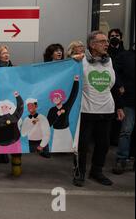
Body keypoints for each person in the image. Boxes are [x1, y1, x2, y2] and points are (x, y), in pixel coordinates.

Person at [72, 31, 124, 187]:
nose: (106, 44)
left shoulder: (109, 62)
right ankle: (79, 172)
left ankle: (96, 171)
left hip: (107, 110)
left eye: (107, 41)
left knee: (104, 144)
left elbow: (114, 87)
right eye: (102, 41)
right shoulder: (80, 62)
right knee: (82, 145)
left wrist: (119, 106)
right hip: (87, 111)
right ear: (92, 44)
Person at [0, 90, 24, 177]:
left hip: (14, 142)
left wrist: (18, 97)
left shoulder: (15, 116)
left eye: (6, 106)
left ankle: (16, 170)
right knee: (1, 157)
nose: (4, 108)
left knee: (16, 158)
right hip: (1, 143)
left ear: (10, 108)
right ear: (0, 109)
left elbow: (20, 107)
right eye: (2, 107)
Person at [112, 47, 135, 174]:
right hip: (129, 100)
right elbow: (114, 72)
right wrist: (120, 85)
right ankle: (121, 160)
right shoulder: (124, 56)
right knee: (126, 131)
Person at [47, 76, 79, 152]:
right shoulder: (52, 110)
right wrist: (56, 115)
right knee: (57, 151)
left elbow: (73, 96)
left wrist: (76, 81)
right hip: (57, 133)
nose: (56, 99)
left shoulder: (67, 106)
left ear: (61, 98)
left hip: (66, 132)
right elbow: (48, 124)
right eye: (54, 98)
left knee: (68, 149)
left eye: (57, 97)